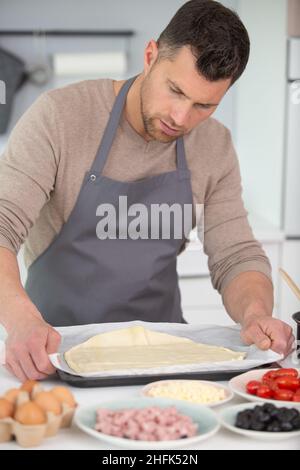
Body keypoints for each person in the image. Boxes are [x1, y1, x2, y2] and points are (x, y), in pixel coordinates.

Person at [0, 0, 294, 382]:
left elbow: (236, 254)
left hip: (165, 360)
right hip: (54, 353)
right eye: (175, 90)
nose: (181, 118)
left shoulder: (214, 145)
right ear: (151, 55)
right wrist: (22, 322)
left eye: (204, 105)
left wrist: (256, 314)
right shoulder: (60, 116)